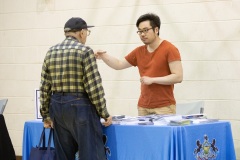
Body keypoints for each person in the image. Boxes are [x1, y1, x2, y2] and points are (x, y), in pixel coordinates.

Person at [39, 17, 112, 160]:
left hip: (57, 108)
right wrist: (104, 112)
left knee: (64, 156)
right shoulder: (85, 51)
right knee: (91, 154)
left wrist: (46, 115)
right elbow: (94, 87)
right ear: (81, 32)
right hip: (81, 108)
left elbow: (45, 87)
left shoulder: (51, 52)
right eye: (87, 32)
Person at [96, 13, 183, 116]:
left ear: (156, 30)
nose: (142, 34)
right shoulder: (139, 51)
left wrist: (153, 80)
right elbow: (118, 64)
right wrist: (103, 56)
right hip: (143, 107)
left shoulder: (170, 49)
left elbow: (178, 77)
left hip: (164, 107)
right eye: (140, 31)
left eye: (146, 30)